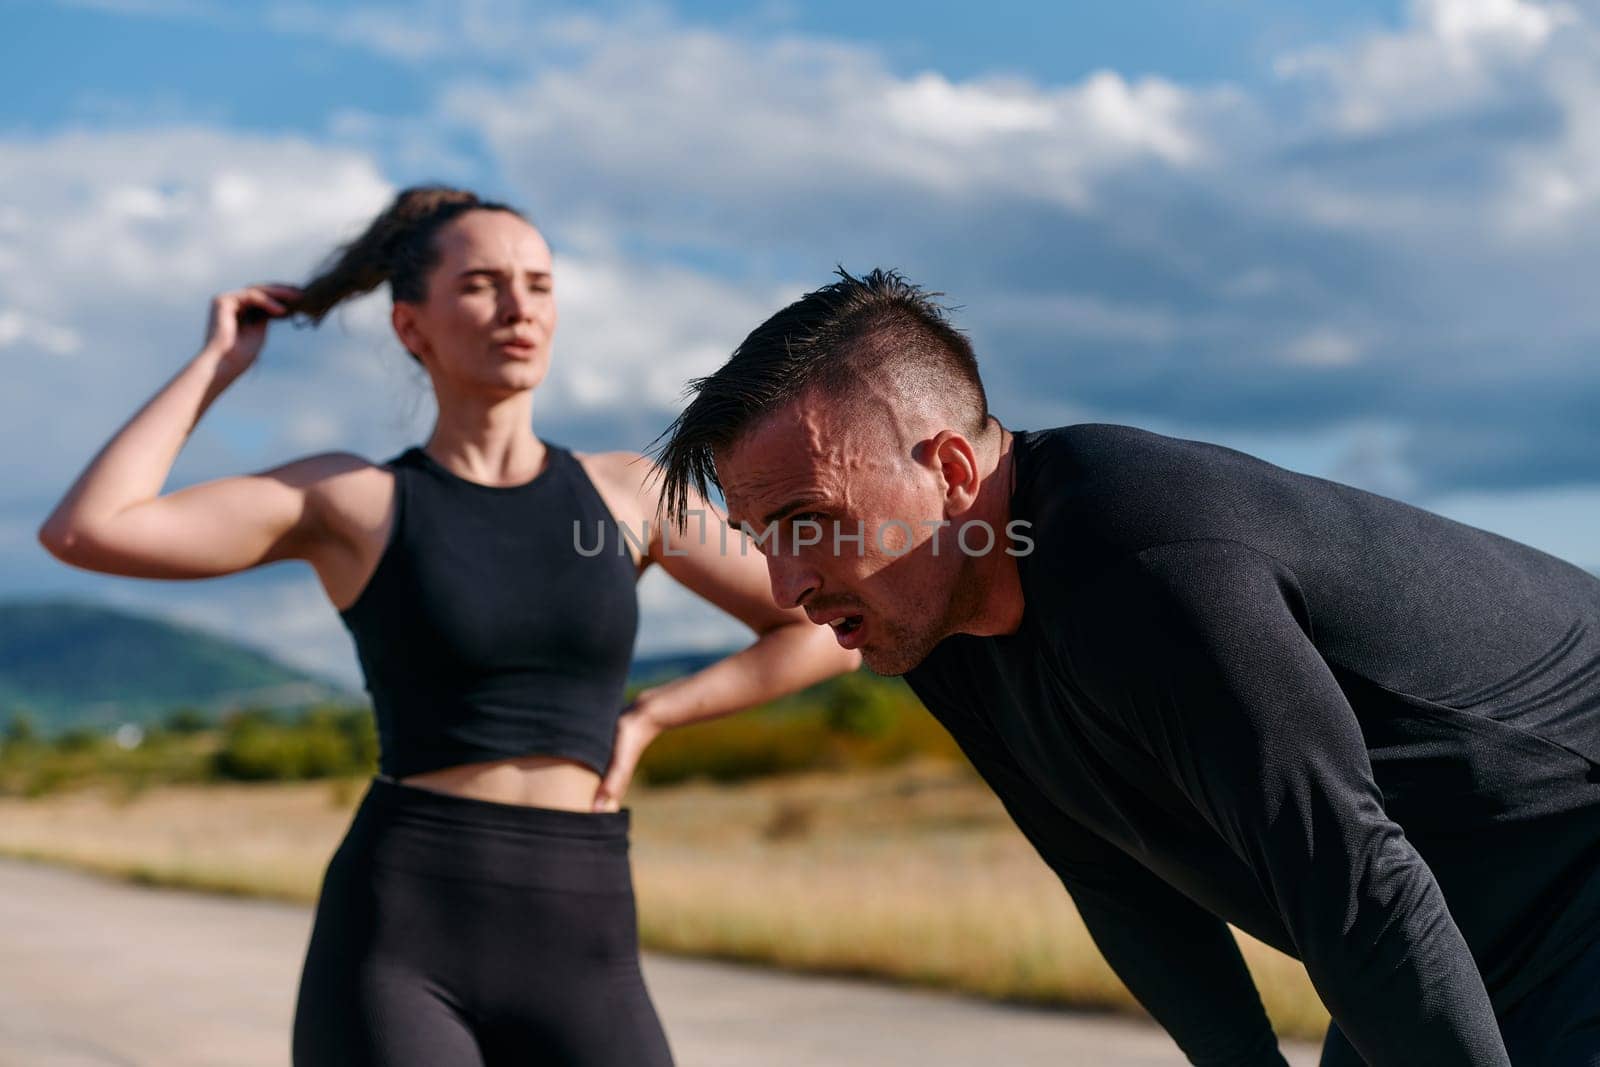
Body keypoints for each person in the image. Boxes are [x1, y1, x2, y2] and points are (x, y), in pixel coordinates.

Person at [647, 268, 1600, 1066]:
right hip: (1463, 919)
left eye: (809, 520)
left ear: (947, 469)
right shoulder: (933, 616)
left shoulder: (1144, 561)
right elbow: (1116, 880)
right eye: (760, 535)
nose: (785, 585)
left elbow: (1349, 878)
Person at [36, 186, 860, 1067]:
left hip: (583, 926)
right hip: (400, 936)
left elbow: (815, 628)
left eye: (539, 284)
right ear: (410, 326)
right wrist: (217, 367)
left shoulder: (629, 493)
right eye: (481, 284)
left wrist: (653, 714)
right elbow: (89, 528)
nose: (518, 307)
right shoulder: (353, 502)